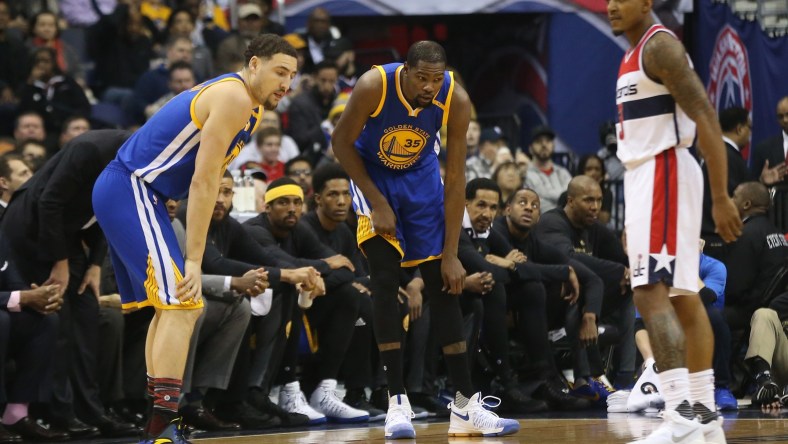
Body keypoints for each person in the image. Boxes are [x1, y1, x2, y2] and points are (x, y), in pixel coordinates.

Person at [92, 34, 297, 443]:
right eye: (279, 71)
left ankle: (159, 421)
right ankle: (161, 425)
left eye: (291, 76)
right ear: (254, 64)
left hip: (141, 193)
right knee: (184, 303)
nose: (286, 84)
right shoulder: (235, 97)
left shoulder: (248, 106)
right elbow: (204, 182)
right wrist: (193, 259)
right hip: (134, 189)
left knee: (170, 308)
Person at [332, 40, 519, 439]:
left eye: (437, 79)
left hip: (421, 182)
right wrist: (377, 202)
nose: (430, 86)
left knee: (444, 287)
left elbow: (455, 178)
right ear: (406, 70)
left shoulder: (456, 97)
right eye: (422, 78)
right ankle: (396, 404)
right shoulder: (373, 85)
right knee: (384, 282)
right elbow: (340, 143)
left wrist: (451, 253)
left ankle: (466, 407)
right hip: (374, 178)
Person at [607, 1, 742, 442]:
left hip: (663, 170)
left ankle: (680, 413)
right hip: (651, 174)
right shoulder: (632, 52)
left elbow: (705, 114)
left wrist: (721, 196)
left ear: (646, 3)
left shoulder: (659, 45)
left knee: (649, 293)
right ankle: (703, 415)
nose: (610, 5)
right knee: (684, 296)